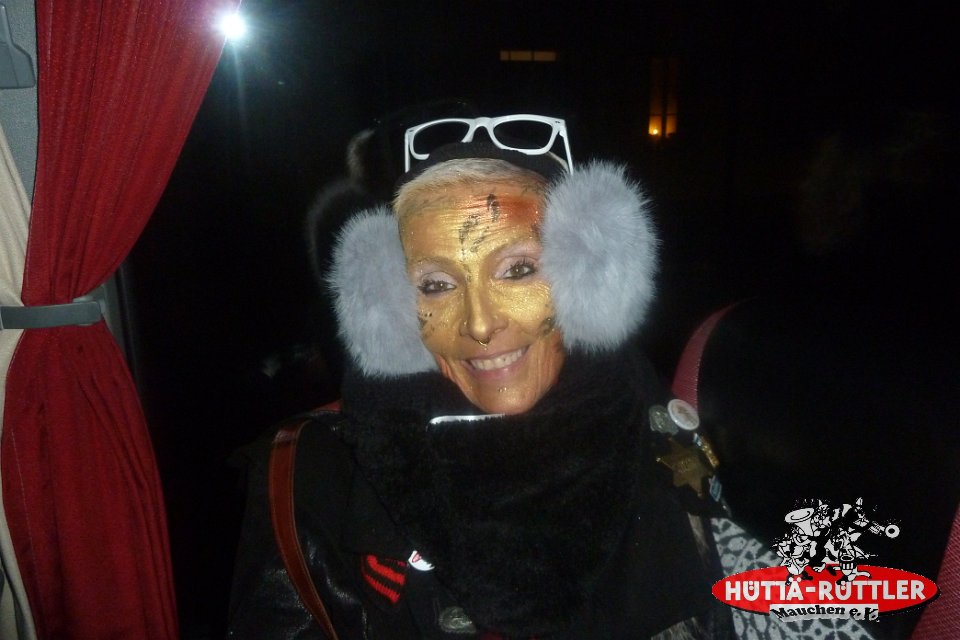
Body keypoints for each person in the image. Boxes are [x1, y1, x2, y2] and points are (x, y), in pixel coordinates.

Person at [227, 114, 879, 639]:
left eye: (518, 270)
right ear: (389, 305)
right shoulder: (313, 484)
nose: (481, 325)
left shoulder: (657, 431)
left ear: (588, 278)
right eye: (436, 284)